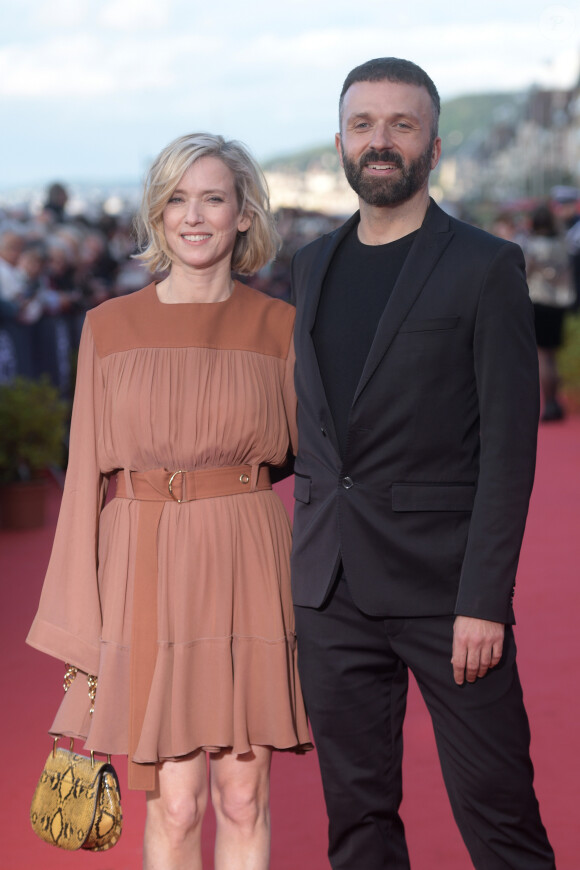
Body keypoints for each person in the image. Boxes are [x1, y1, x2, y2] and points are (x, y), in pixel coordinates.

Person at [290, 58, 555, 869]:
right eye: (363, 125)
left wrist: (484, 601)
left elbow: (509, 449)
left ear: (434, 147)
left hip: (447, 595)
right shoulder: (310, 265)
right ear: (341, 142)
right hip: (331, 589)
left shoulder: (485, 266)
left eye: (401, 125)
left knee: (500, 818)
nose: (381, 141)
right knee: (358, 824)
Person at [27, 132, 310, 870]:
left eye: (213, 198)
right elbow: (85, 474)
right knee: (177, 806)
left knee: (243, 798)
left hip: (247, 558)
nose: (193, 215)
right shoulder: (108, 327)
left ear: (243, 215)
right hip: (146, 562)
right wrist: (82, 619)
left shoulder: (281, 328)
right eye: (177, 199)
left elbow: (306, 458)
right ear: (156, 213)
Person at [522, 203, 573, 422]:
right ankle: (555, 400)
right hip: (559, 302)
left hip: (539, 301)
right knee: (552, 354)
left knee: (542, 355)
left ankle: (550, 402)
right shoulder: (562, 243)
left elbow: (525, 272)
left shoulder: (532, 245)